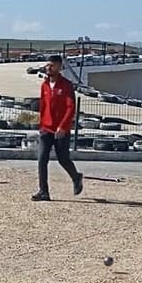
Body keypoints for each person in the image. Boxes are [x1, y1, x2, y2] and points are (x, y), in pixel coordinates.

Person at [32, 55, 83, 201]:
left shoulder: (66, 85)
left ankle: (76, 177)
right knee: (42, 159)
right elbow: (43, 106)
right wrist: (41, 124)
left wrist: (63, 126)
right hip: (46, 129)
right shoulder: (44, 85)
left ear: (60, 67)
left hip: (61, 130)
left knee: (63, 159)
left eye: (52, 65)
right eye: (47, 65)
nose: (48, 68)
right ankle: (43, 191)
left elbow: (70, 108)